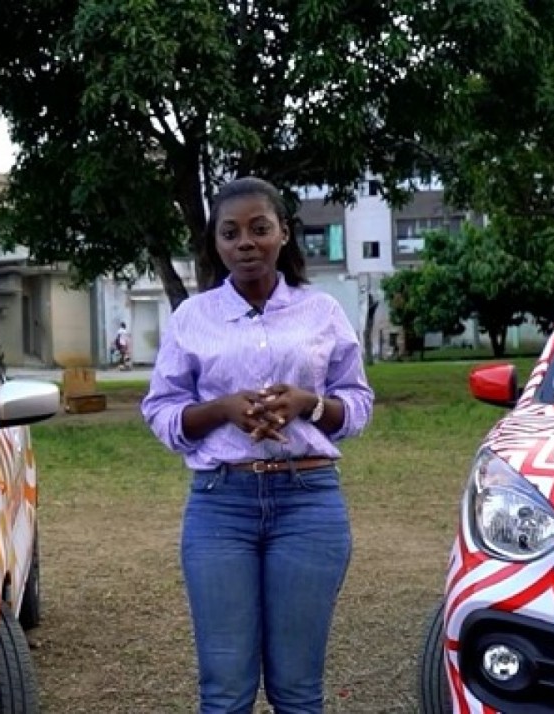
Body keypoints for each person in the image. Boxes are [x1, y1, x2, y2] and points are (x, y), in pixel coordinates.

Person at [140, 176, 375, 714]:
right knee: (225, 691)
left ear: (283, 234)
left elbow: (357, 405)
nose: (245, 242)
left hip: (308, 501)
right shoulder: (191, 319)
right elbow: (161, 410)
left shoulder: (322, 313)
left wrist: (306, 404)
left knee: (297, 690)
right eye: (231, 233)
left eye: (259, 228)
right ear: (216, 245)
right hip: (222, 504)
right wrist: (223, 409)